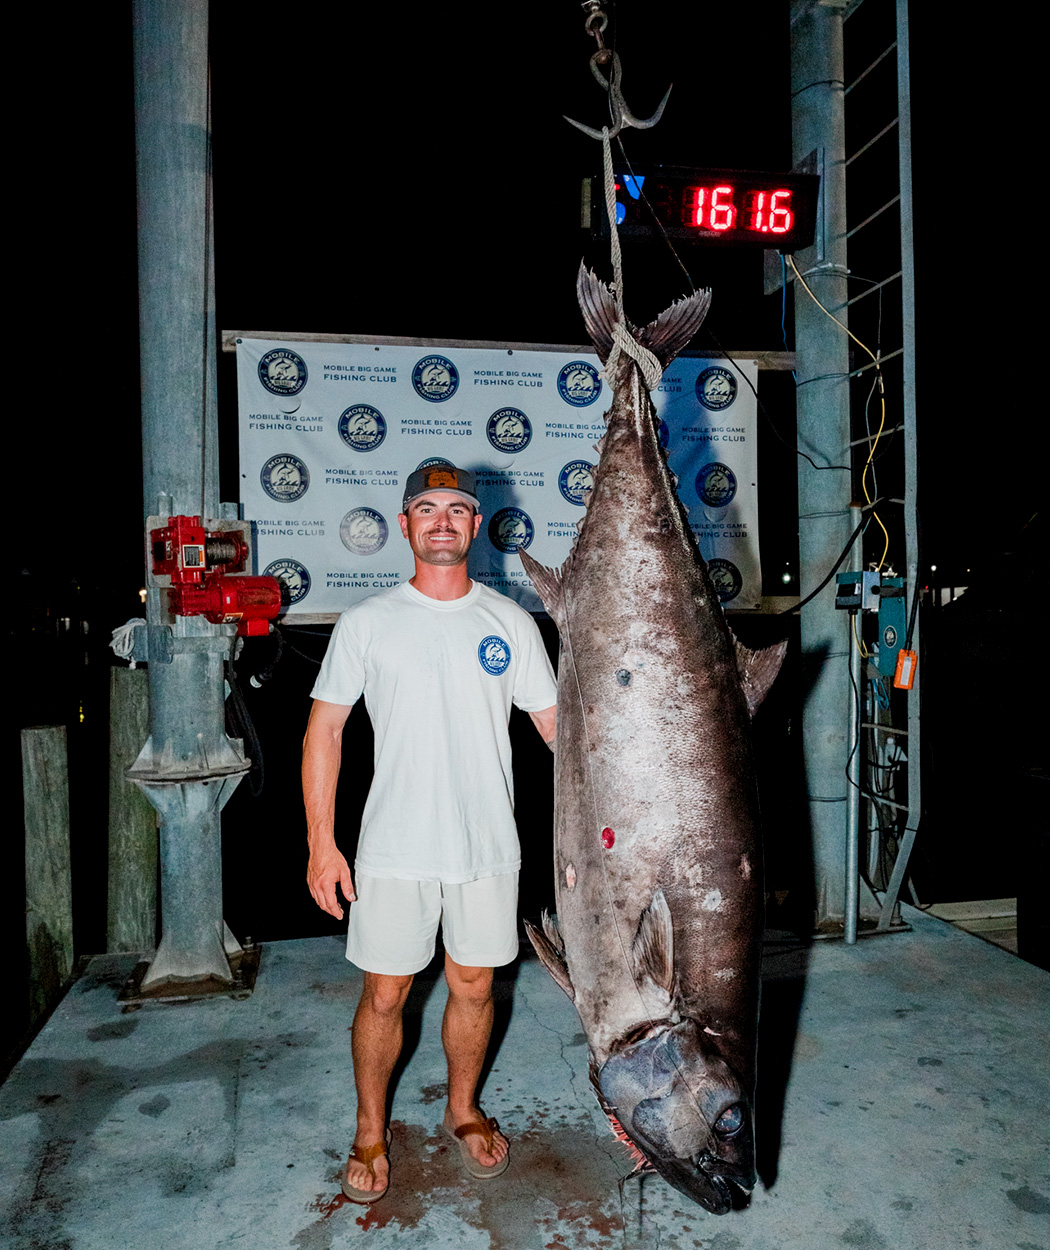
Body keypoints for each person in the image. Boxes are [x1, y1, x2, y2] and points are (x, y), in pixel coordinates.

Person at [302, 461, 557, 1204]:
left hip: (488, 846)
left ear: (476, 525)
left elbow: (557, 732)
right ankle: (369, 1128)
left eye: (456, 509)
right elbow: (324, 732)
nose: (442, 520)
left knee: (474, 984)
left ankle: (462, 1109)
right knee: (386, 993)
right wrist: (322, 844)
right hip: (393, 848)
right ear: (406, 523)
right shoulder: (367, 622)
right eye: (426, 508)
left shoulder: (510, 623)